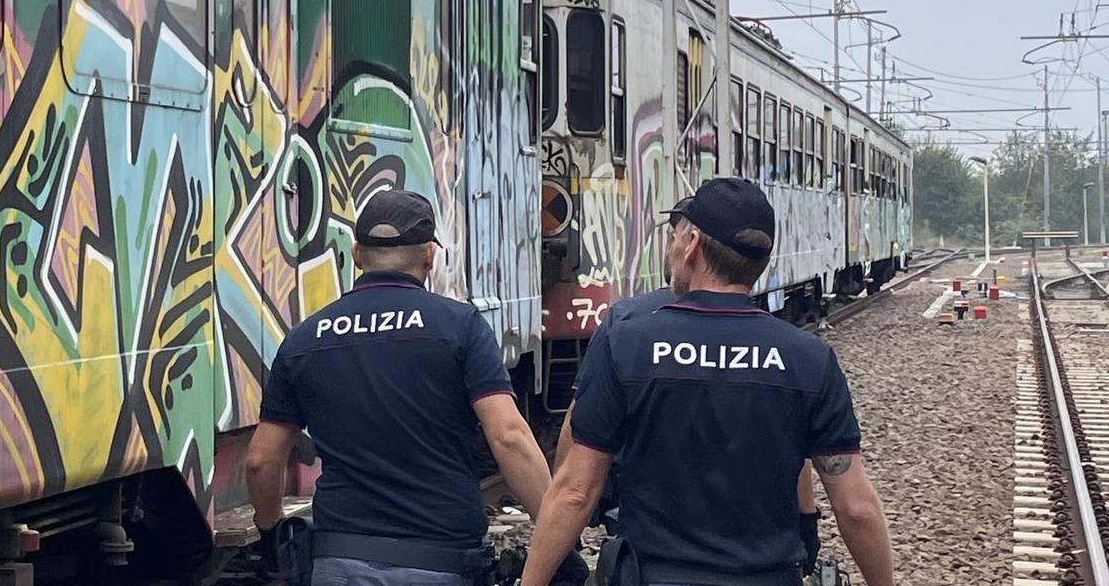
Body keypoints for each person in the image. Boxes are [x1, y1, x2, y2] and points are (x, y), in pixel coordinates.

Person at [521, 178, 893, 586]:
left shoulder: (626, 344)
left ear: (693, 244)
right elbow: (855, 507)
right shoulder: (808, 359)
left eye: (677, 236)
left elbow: (576, 491)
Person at [245, 189, 587, 586]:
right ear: (429, 256)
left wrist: (271, 535)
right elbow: (509, 438)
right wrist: (559, 541)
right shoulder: (460, 327)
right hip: (441, 561)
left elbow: (261, 460)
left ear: (357, 255)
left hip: (339, 560)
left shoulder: (305, 339)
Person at [550, 203, 824, 578]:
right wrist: (806, 518)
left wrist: (566, 519)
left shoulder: (625, 324)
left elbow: (578, 427)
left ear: (690, 245)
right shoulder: (781, 343)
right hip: (755, 552)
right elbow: (796, 441)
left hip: (651, 548)